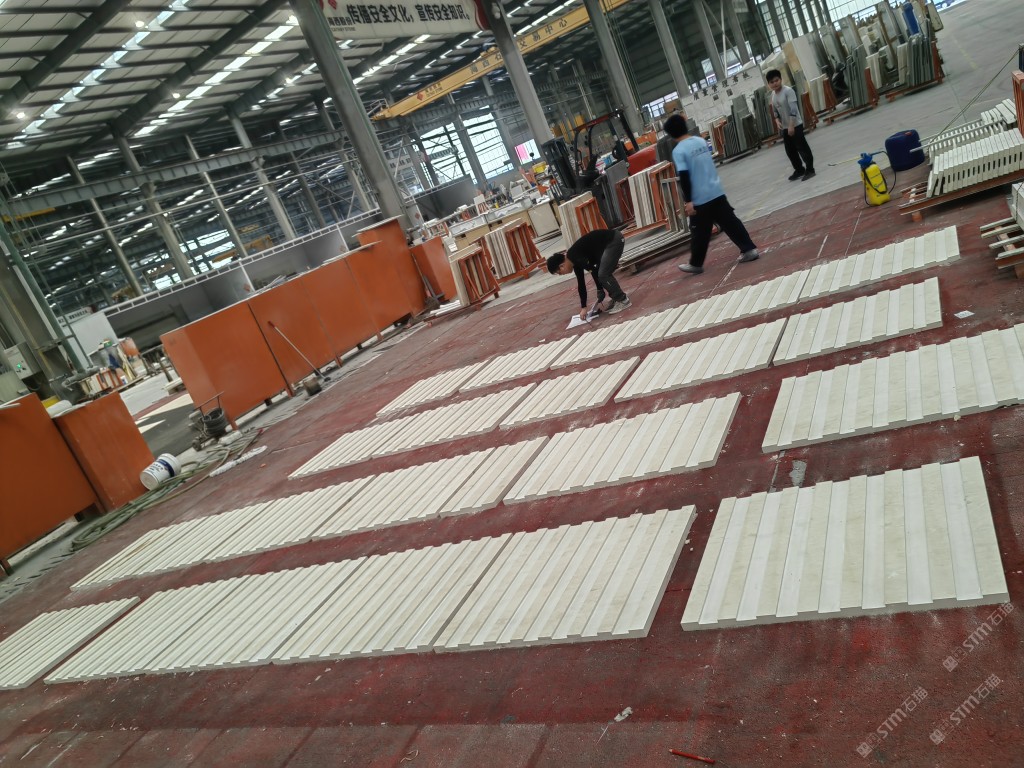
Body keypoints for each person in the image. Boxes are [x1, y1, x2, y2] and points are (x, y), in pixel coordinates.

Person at [663, 114, 759, 276]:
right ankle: (750, 249)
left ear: (671, 134)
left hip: (700, 198)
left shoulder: (679, 151)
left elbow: (684, 176)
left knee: (699, 232)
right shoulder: (700, 141)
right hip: (716, 191)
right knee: (731, 223)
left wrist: (688, 201)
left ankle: (696, 264)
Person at [546, 228, 631, 318]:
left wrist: (600, 289)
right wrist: (584, 307)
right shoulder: (574, 261)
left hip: (613, 240)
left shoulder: (575, 257)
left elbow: (594, 271)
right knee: (602, 273)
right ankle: (616, 298)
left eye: (560, 273)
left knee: (603, 274)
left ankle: (623, 300)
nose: (562, 274)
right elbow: (581, 284)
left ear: (561, 266)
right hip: (608, 244)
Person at [766, 69, 815, 181]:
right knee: (790, 151)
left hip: (795, 125)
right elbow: (774, 109)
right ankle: (799, 170)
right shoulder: (773, 94)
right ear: (768, 84)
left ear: (781, 79)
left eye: (776, 80)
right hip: (785, 127)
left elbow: (793, 109)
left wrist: (792, 125)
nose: (775, 83)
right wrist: (777, 120)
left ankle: (810, 169)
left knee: (802, 148)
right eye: (772, 82)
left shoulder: (788, 91)